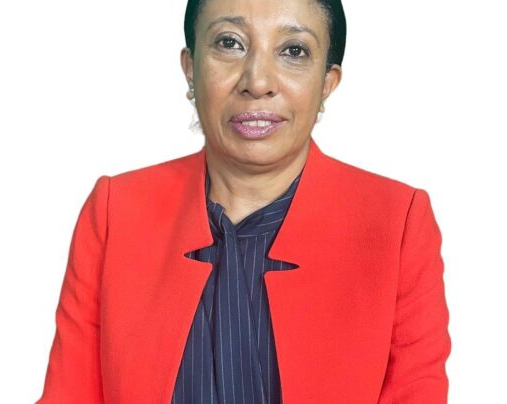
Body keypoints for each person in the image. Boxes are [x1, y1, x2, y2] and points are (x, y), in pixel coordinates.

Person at [36, 0, 452, 403]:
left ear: (327, 82)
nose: (257, 81)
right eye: (229, 43)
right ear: (190, 67)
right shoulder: (116, 211)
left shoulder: (396, 223)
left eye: (293, 51)